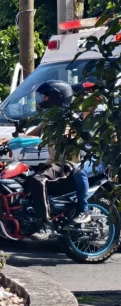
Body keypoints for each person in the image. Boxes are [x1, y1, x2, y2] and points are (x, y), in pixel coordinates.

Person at [24, 80, 90, 235]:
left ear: (56, 97)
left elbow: (83, 134)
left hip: (65, 164)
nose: (43, 100)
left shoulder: (70, 119)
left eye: (46, 97)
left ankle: (44, 223)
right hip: (51, 163)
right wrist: (8, 141)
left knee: (37, 180)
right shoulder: (49, 119)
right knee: (22, 177)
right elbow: (31, 134)